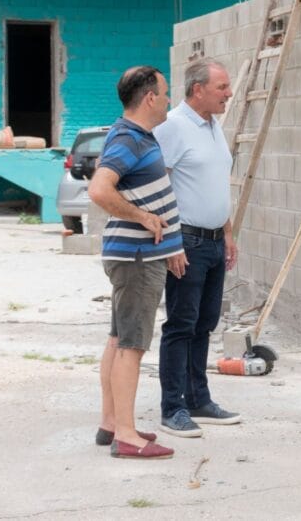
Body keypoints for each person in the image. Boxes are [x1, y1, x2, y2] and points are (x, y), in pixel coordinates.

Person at [89, 66, 185, 460]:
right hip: (137, 256)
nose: (167, 99)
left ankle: (112, 423)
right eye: (164, 93)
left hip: (136, 254)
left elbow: (154, 197)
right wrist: (142, 218)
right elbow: (99, 189)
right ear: (149, 97)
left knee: (118, 339)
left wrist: (172, 241)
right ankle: (127, 436)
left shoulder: (136, 137)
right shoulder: (129, 138)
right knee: (132, 345)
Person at [153, 59, 241, 438]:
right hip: (186, 241)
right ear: (198, 89)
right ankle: (172, 408)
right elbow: (159, 189)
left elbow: (216, 184)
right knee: (181, 325)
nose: (229, 93)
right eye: (222, 87)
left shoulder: (213, 126)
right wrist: (171, 242)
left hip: (215, 242)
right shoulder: (172, 127)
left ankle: (198, 399)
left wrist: (229, 234)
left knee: (205, 324)